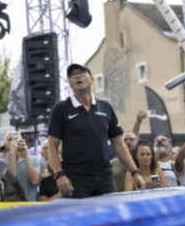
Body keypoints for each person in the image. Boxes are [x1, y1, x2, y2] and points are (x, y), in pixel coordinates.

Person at [47, 64, 144, 198]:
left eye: (81, 73)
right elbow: (52, 145)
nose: (76, 77)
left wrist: (135, 171)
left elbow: (118, 143)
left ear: (92, 79)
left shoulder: (105, 107)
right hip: (76, 179)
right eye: (72, 76)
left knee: (107, 218)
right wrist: (59, 175)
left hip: (105, 178)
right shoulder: (61, 109)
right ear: (70, 84)